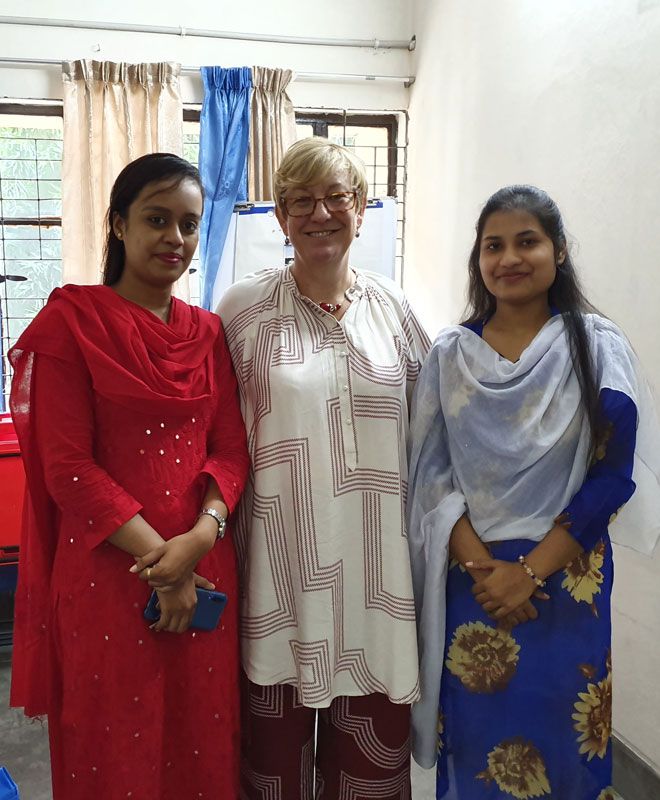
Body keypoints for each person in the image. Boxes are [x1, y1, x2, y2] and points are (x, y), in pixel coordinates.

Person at [407, 185, 660, 800]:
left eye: (528, 241)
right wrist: (485, 569)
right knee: (474, 748)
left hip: (567, 577)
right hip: (475, 583)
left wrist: (530, 572)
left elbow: (613, 474)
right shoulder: (450, 354)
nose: (510, 258)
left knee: (566, 744)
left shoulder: (596, 346)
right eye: (494, 245)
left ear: (560, 252)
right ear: (478, 260)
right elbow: (432, 475)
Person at [9, 153, 249, 800]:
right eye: (156, 219)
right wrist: (163, 563)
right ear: (118, 225)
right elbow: (67, 468)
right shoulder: (71, 324)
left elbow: (230, 450)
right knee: (112, 743)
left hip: (206, 570)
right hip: (106, 574)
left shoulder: (207, 332)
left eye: (189, 224)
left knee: (201, 736)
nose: (175, 238)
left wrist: (201, 537)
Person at [217, 137, 430, 799]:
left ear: (361, 209)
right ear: (280, 217)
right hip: (276, 586)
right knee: (271, 778)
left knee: (366, 780)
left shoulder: (399, 312)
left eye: (336, 197)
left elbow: (438, 440)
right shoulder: (239, 313)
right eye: (301, 201)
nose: (320, 213)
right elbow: (209, 437)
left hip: (378, 590)